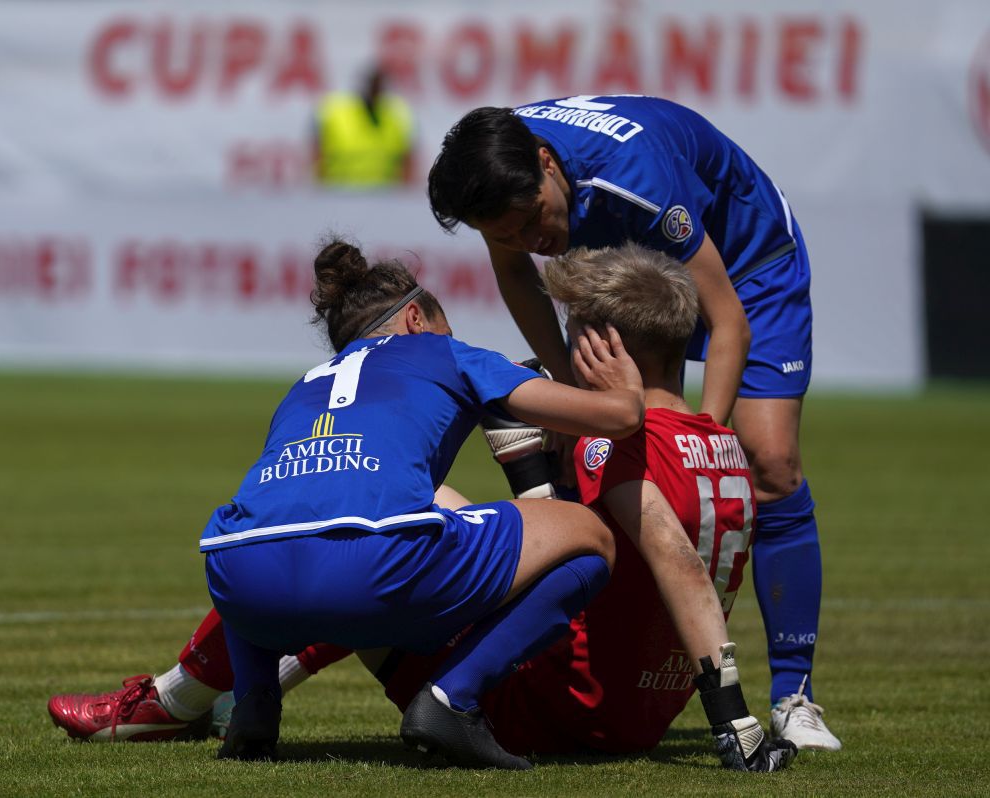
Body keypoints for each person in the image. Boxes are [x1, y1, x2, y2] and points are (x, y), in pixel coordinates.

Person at [48, 244, 796, 772]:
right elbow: (632, 480)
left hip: (248, 575)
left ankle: (218, 701)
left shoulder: (307, 380)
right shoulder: (719, 443)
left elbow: (653, 538)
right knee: (413, 534)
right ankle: (417, 698)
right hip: (627, 702)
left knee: (332, 527)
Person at [425, 95, 840, 751]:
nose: (526, 241)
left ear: (545, 163)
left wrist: (701, 442)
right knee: (585, 450)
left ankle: (794, 696)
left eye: (532, 219)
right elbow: (518, 276)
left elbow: (726, 316)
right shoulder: (493, 176)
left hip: (746, 261)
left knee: (768, 462)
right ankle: (591, 663)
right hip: (621, 267)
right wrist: (568, 397)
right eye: (503, 232)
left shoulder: (634, 173)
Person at [188, 238, 646, 768]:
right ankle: (452, 701)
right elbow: (614, 419)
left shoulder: (305, 384)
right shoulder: (443, 352)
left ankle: (254, 705)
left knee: (275, 528)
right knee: (591, 537)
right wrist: (628, 393)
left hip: (239, 581)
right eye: (444, 324)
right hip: (376, 570)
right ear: (414, 318)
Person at [313, 67, 414, 187]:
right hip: (340, 191)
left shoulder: (397, 115)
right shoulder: (335, 113)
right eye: (373, 86)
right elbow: (318, 155)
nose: (375, 91)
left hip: (384, 194)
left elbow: (407, 161)